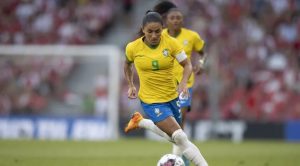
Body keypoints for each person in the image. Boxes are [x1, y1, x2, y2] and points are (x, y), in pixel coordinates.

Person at [124, 11, 208, 166]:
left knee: (176, 137)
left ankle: (140, 122)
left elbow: (187, 64)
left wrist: (183, 82)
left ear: (162, 28)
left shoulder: (171, 43)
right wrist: (130, 84)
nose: (154, 35)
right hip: (151, 101)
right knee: (180, 137)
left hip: (171, 97)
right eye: (150, 32)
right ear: (143, 29)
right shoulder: (133, 47)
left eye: (157, 31)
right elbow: (127, 64)